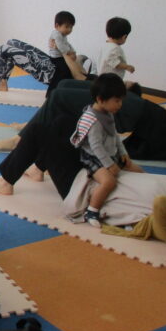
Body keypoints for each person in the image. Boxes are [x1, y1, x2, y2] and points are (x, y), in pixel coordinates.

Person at [0, 114, 166, 248]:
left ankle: (7, 180)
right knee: (66, 121)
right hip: (100, 171)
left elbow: (162, 204)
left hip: (81, 189)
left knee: (42, 131)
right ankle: (38, 168)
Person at [0, 79, 166, 163]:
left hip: (132, 112)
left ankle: (22, 139)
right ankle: (33, 126)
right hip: (136, 109)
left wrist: (165, 107)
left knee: (60, 95)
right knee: (65, 85)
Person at [69, 74, 144, 226]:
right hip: (93, 157)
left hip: (110, 153)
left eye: (121, 100)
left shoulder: (108, 113)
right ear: (101, 99)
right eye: (117, 100)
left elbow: (115, 136)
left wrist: (123, 154)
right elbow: (96, 146)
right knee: (109, 182)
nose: (120, 105)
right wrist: (109, 165)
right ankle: (92, 210)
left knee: (138, 171)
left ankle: (134, 206)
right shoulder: (94, 120)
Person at [0, 33, 86, 103]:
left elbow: (78, 76)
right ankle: (3, 83)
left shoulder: (88, 82)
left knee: (3, 50)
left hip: (51, 72)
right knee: (11, 42)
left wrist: (65, 52)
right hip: (53, 64)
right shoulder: (92, 77)